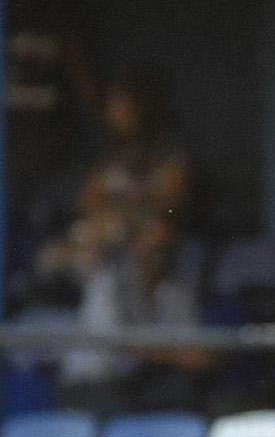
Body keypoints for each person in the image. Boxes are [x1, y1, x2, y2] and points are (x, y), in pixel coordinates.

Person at [34, 73, 206, 409]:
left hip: (128, 382)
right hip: (93, 381)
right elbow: (89, 206)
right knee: (59, 258)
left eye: (123, 104)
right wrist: (113, 225)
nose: (117, 114)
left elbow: (171, 202)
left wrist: (129, 220)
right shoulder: (111, 158)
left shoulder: (170, 155)